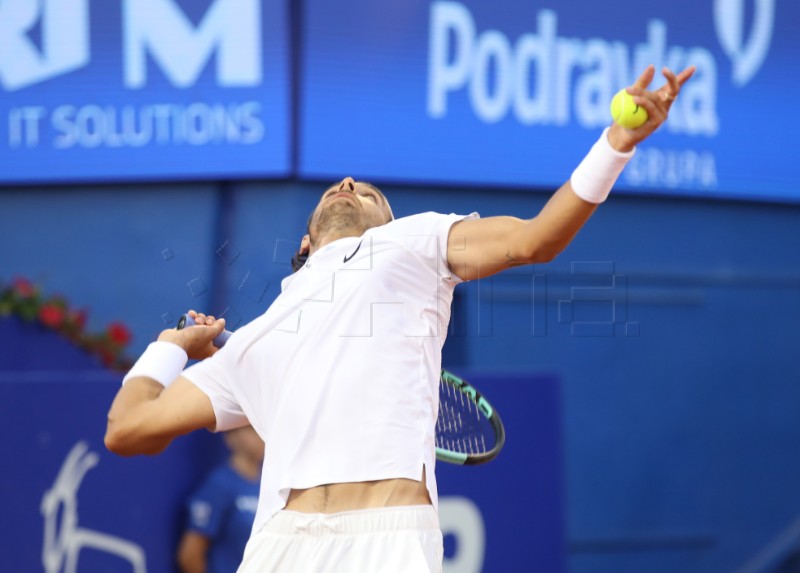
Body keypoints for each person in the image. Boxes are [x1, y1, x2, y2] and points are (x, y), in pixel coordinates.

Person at [106, 65, 695, 572]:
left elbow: (536, 240)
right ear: (305, 243)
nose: (348, 185)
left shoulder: (411, 245)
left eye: (368, 193)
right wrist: (170, 345)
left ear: (388, 223)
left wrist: (617, 143)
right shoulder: (249, 345)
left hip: (387, 540)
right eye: (343, 186)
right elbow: (128, 429)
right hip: (279, 548)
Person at [176, 426, 264, 573]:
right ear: (230, 436)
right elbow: (190, 555)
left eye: (261, 427)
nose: (260, 435)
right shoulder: (219, 484)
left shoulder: (272, 488)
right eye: (250, 429)